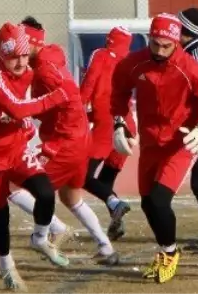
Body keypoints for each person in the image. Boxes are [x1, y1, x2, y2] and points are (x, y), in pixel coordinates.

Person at [111, 13, 198, 284]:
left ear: (176, 42)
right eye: (155, 44)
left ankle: (171, 253)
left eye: (166, 46)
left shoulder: (191, 67)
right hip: (150, 142)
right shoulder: (135, 63)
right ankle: (164, 251)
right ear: (149, 39)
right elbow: (118, 91)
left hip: (180, 142)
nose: (160, 51)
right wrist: (119, 122)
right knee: (149, 203)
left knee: (161, 199)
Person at [0, 22, 72, 289]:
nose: (22, 62)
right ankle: (7, 267)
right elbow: (15, 108)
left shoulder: (27, 70)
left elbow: (47, 67)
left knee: (46, 193)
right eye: (14, 57)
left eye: (25, 55)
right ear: (1, 55)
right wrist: (55, 98)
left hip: (13, 148)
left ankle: (39, 238)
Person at [22, 20, 119, 265]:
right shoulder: (44, 62)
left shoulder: (45, 69)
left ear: (32, 43)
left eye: (21, 41)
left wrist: (57, 141)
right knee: (70, 196)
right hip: (77, 139)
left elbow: (70, 100)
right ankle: (106, 247)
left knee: (14, 185)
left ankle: (49, 231)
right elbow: (53, 104)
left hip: (66, 143)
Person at [79, 26, 134, 239]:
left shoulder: (100, 55)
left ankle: (115, 203)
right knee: (106, 178)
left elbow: (90, 83)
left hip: (107, 120)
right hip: (127, 122)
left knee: (83, 174)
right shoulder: (130, 61)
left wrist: (78, 107)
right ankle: (115, 221)